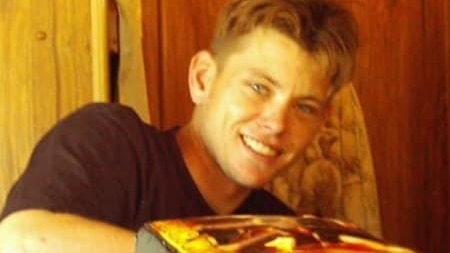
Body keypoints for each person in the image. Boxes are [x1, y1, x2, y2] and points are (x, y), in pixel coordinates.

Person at [0, 0, 358, 252]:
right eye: (258, 87)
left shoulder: (282, 231)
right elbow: (18, 241)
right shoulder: (115, 144)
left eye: (305, 107)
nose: (278, 123)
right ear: (203, 79)